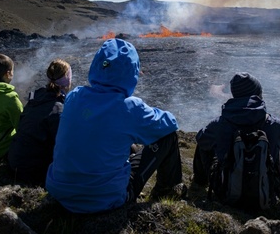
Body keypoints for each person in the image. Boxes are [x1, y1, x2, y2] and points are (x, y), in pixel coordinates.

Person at [46, 38, 185, 214]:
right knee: (168, 137)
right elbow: (170, 124)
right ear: (132, 71)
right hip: (105, 200)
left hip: (61, 192)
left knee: (126, 142)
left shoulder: (75, 96)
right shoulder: (130, 107)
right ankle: (167, 192)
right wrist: (148, 111)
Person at [192, 72, 280, 188]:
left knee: (205, 139)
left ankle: (200, 181)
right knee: (278, 144)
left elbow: (201, 138)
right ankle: (273, 183)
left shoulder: (221, 123)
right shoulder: (272, 123)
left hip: (227, 190)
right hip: (264, 190)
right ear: (257, 94)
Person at [8, 59, 72, 186]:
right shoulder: (58, 109)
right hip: (32, 169)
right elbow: (61, 144)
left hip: (14, 159)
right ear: (67, 80)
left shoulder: (36, 97)